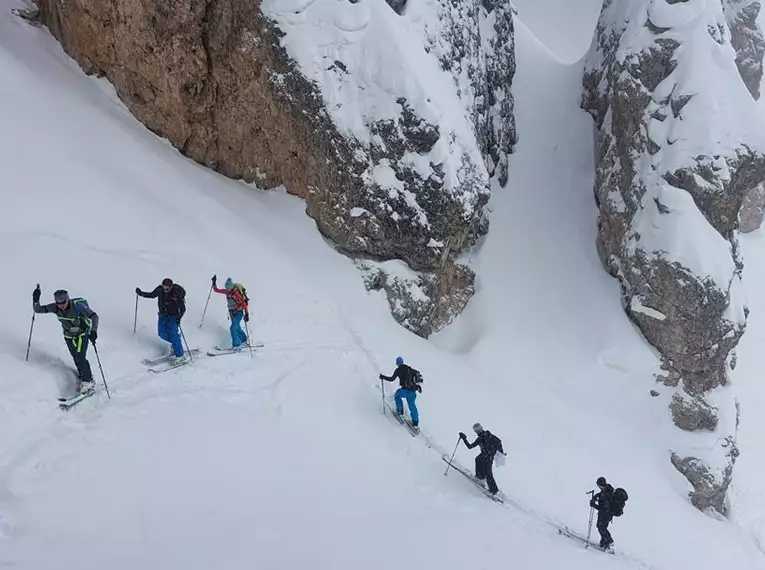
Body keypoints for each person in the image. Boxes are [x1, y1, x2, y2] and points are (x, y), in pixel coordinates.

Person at [33, 286, 99, 393]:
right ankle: (83, 375)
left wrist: (94, 331)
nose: (61, 305)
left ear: (67, 299)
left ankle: (88, 381)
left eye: (63, 302)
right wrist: (36, 299)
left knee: (81, 356)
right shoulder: (55, 308)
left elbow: (94, 316)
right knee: (75, 357)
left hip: (82, 333)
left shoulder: (78, 306)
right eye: (58, 303)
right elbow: (38, 309)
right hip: (69, 335)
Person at [135, 278, 186, 363]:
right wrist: (140, 293)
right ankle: (176, 342)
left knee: (173, 334)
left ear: (171, 287)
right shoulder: (160, 290)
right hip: (162, 315)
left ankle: (180, 356)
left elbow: (183, 308)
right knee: (161, 333)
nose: (165, 290)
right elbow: (151, 295)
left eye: (167, 288)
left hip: (173, 316)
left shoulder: (176, 293)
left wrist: (179, 318)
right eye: (164, 287)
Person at [459, 423, 506, 496]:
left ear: (477, 431)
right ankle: (480, 477)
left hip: (486, 457)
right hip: (488, 456)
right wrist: (501, 452)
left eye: (476, 430)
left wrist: (464, 438)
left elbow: (470, 446)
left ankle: (493, 490)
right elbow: (499, 441)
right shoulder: (490, 435)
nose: (476, 432)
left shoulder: (480, 438)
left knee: (488, 474)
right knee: (478, 459)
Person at [379, 356, 422, 427]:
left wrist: (383, 377)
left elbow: (391, 379)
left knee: (397, 395)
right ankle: (415, 422)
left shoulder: (398, 370)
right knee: (412, 405)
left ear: (397, 363)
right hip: (413, 391)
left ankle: (400, 411)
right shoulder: (409, 368)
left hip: (405, 390)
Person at [211, 275, 250, 349]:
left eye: (229, 288)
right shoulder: (227, 291)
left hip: (239, 313)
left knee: (233, 328)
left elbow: (244, 304)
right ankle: (244, 340)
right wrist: (214, 283)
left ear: (232, 287)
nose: (227, 290)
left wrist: (247, 314)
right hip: (232, 313)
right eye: (227, 288)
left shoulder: (237, 294)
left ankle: (236, 345)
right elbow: (216, 290)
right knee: (237, 327)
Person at [590, 476, 615, 549]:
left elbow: (603, 508)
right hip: (606, 514)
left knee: (601, 527)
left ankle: (610, 542)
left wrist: (594, 505)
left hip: (606, 514)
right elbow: (600, 494)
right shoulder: (606, 489)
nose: (598, 486)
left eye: (598, 484)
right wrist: (595, 497)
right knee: (602, 527)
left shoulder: (607, 494)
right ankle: (603, 543)